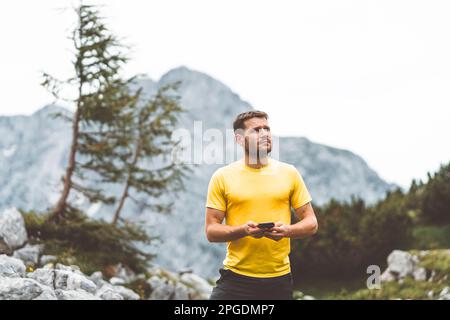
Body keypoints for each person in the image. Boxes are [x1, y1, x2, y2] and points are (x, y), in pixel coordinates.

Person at [205, 110, 318, 300]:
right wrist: (243, 230)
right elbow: (211, 231)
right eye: (256, 130)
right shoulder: (222, 177)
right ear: (240, 139)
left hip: (279, 280)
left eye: (267, 129)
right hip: (236, 279)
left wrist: (287, 231)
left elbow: (311, 223)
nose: (265, 134)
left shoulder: (289, 173)